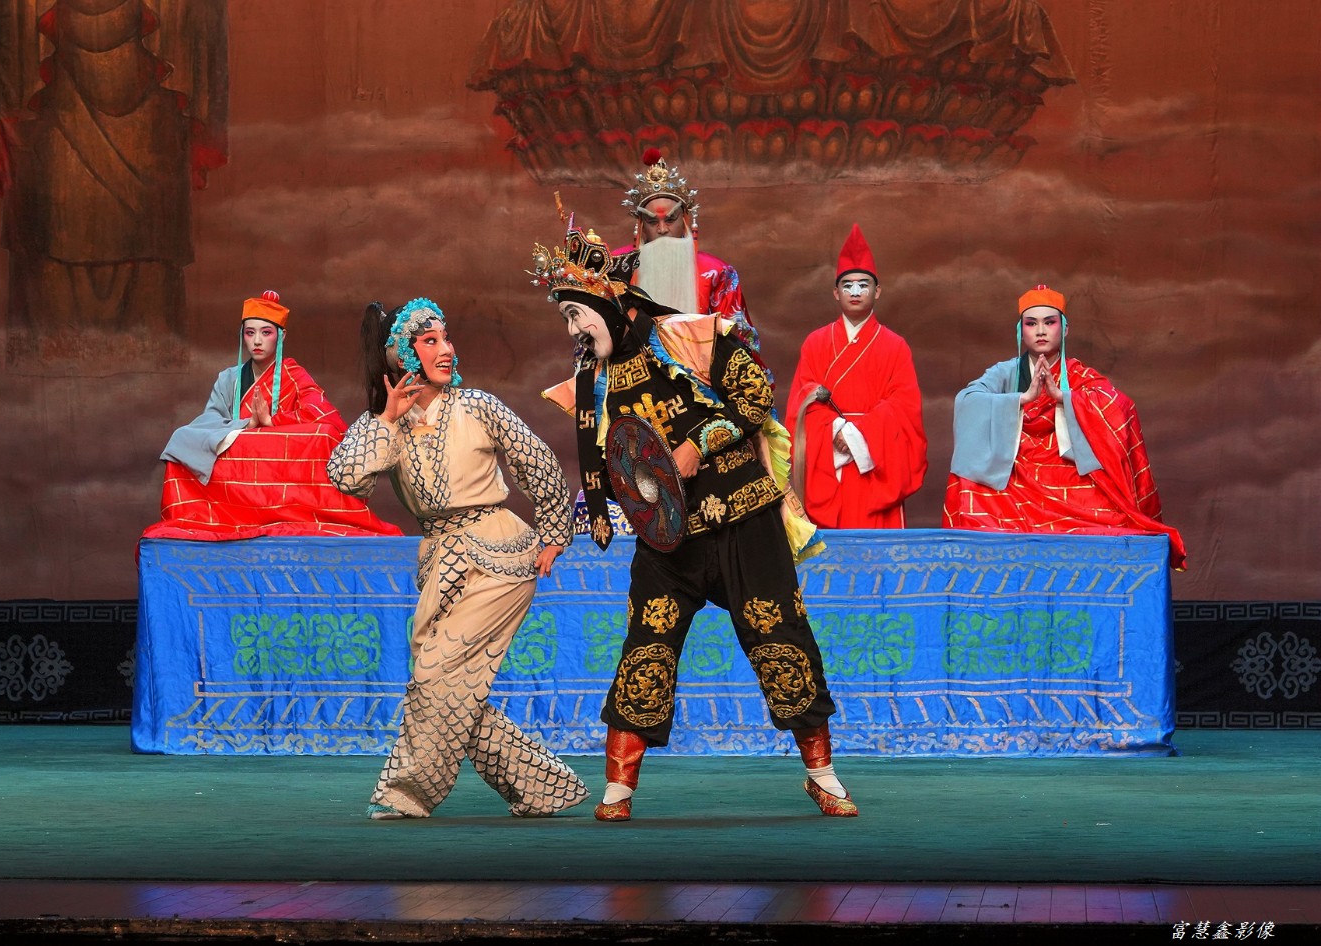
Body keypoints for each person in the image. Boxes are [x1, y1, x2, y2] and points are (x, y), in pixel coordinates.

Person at [531, 219, 858, 822]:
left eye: (577, 315)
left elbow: (755, 397)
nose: (573, 330)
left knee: (779, 638)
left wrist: (695, 445)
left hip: (743, 521)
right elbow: (604, 458)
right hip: (668, 539)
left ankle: (823, 775)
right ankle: (618, 789)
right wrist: (597, 511)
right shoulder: (592, 381)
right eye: (566, 320)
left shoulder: (691, 338)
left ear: (609, 303)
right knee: (646, 647)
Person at [326, 298, 589, 819]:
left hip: (498, 554)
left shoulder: (477, 406)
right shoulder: (387, 424)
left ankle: (406, 792)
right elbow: (346, 478)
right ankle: (542, 787)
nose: (447, 349)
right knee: (450, 687)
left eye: (446, 338)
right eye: (431, 341)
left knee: (435, 674)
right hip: (441, 560)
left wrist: (555, 533)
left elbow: (538, 461)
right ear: (403, 354)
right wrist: (386, 418)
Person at [942, 284, 1187, 569]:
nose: (1041, 331)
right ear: (1020, 331)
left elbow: (1120, 406)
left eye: (1049, 322)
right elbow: (968, 400)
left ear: (1065, 329)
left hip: (1065, 471)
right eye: (1031, 323)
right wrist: (1022, 399)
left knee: (1113, 516)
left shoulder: (1079, 374)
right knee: (970, 484)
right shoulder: (1006, 372)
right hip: (1017, 474)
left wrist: (1065, 398)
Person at [145, 290, 400, 541]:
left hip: (283, 466)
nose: (257, 341)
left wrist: (271, 422)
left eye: (266, 333)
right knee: (182, 438)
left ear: (281, 335)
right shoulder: (229, 379)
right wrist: (247, 424)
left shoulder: (294, 374)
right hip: (239, 461)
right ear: (242, 335)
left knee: (323, 434)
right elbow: (208, 423)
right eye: (250, 333)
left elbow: (323, 416)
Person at [784, 222, 927, 529]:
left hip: (875, 461)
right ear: (836, 293)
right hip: (828, 459)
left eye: (864, 284)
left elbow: (904, 407)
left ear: (877, 291)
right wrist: (836, 431)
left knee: (877, 546)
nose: (856, 291)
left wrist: (857, 436)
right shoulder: (815, 342)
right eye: (847, 285)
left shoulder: (895, 346)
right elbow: (803, 401)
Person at [614, 148, 761, 355]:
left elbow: (742, 342)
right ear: (640, 224)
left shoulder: (717, 272)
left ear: (684, 219)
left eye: (670, 219)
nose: (662, 229)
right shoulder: (616, 268)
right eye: (652, 221)